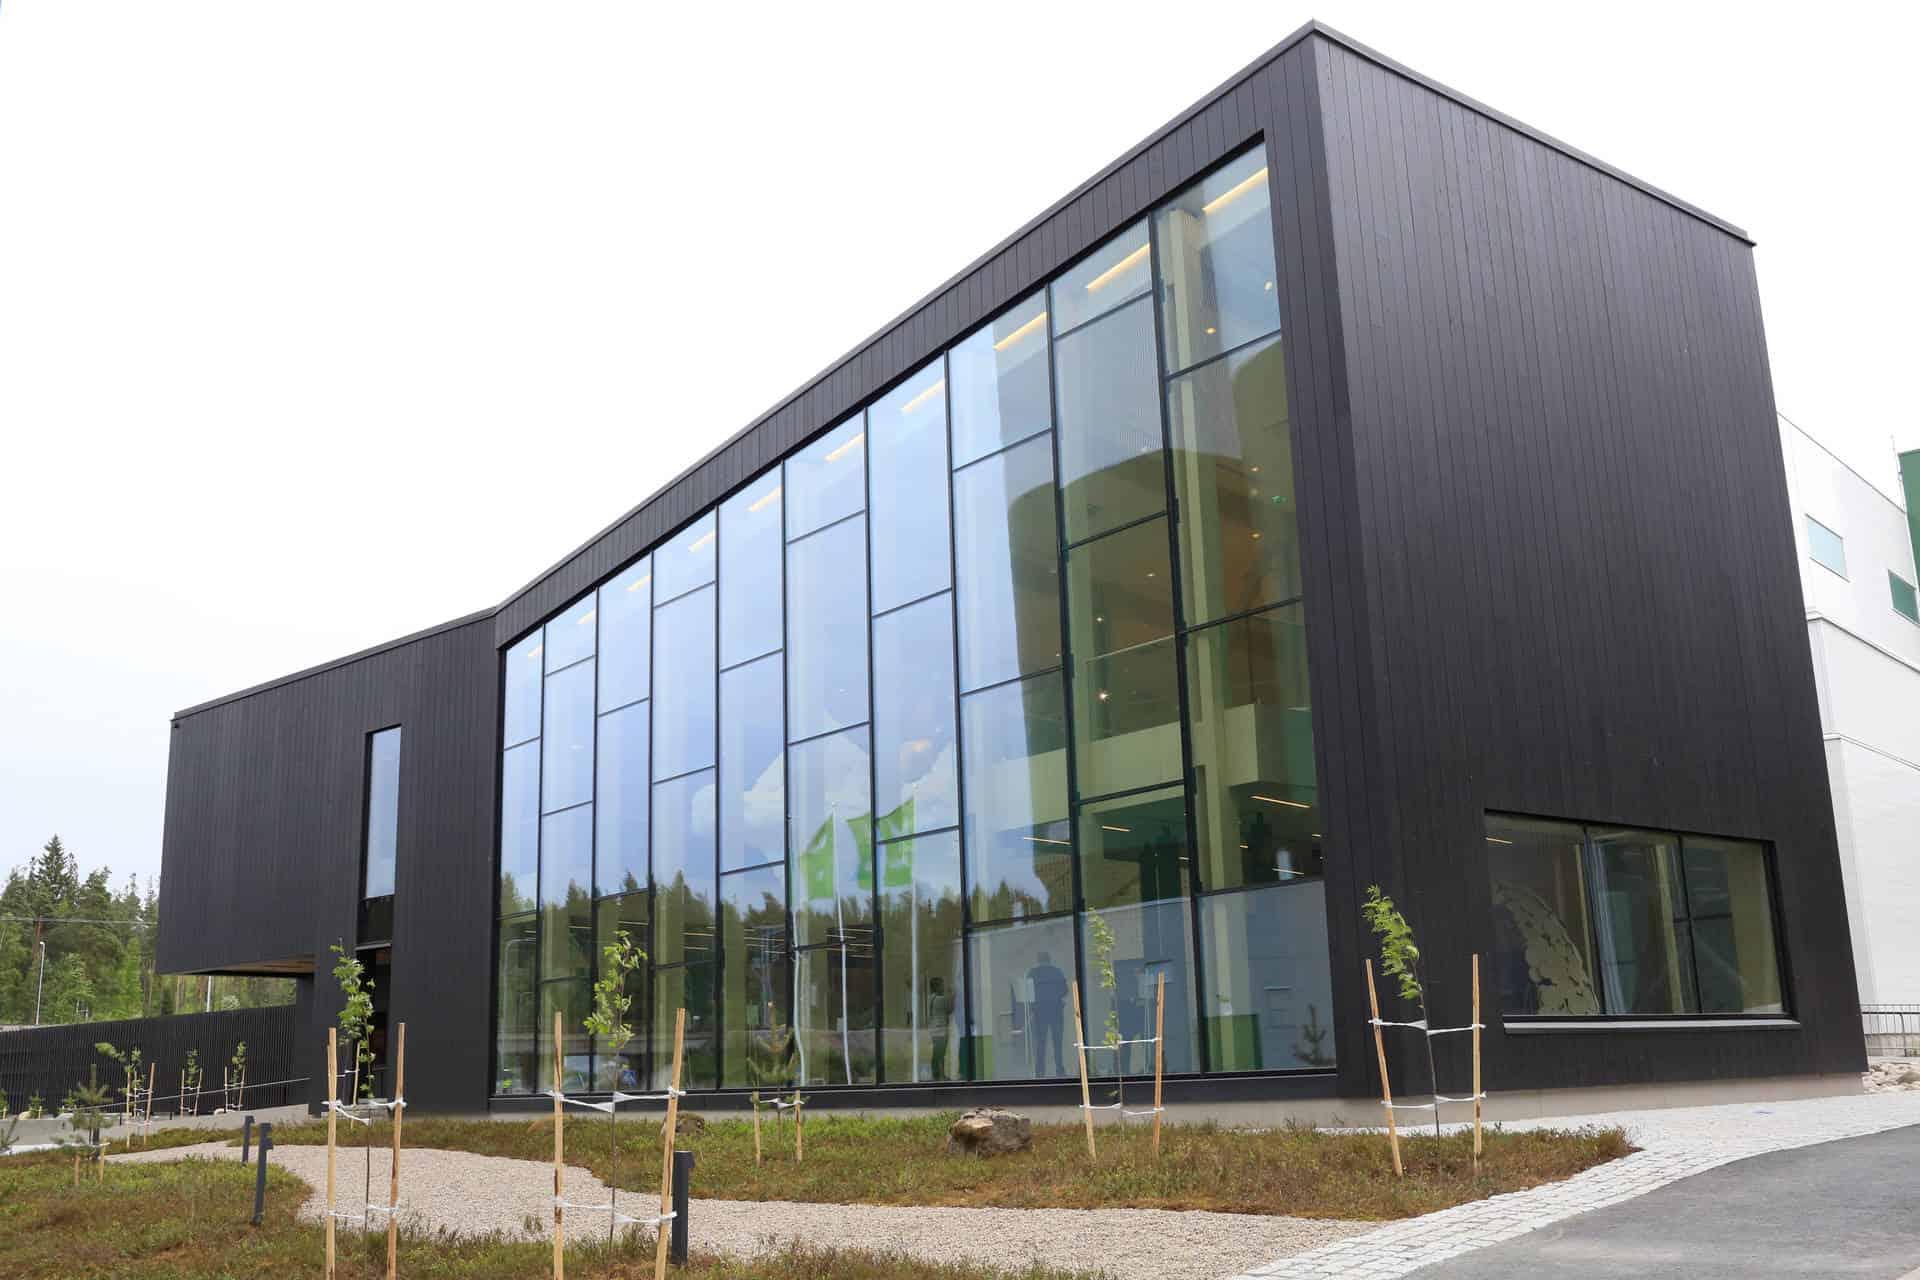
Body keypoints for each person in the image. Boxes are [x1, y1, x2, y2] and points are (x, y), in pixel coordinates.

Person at [1026, 951, 1069, 1077]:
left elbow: (1028, 993)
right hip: (1056, 1010)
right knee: (1057, 1042)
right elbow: (1064, 991)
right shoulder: (1057, 972)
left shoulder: (1032, 973)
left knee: (1040, 1042)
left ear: (1038, 959)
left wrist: (1037, 1002)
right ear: (1049, 959)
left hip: (1040, 1011)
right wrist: (1054, 997)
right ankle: (1060, 1070)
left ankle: (1040, 1072)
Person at [926, 976, 953, 1081]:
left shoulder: (930, 998)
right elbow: (950, 1009)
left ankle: (935, 1074)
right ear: (937, 987)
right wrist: (952, 994)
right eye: (942, 985)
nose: (943, 987)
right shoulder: (941, 999)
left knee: (936, 1053)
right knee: (941, 1053)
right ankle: (941, 1075)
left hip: (933, 1029)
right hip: (941, 1030)